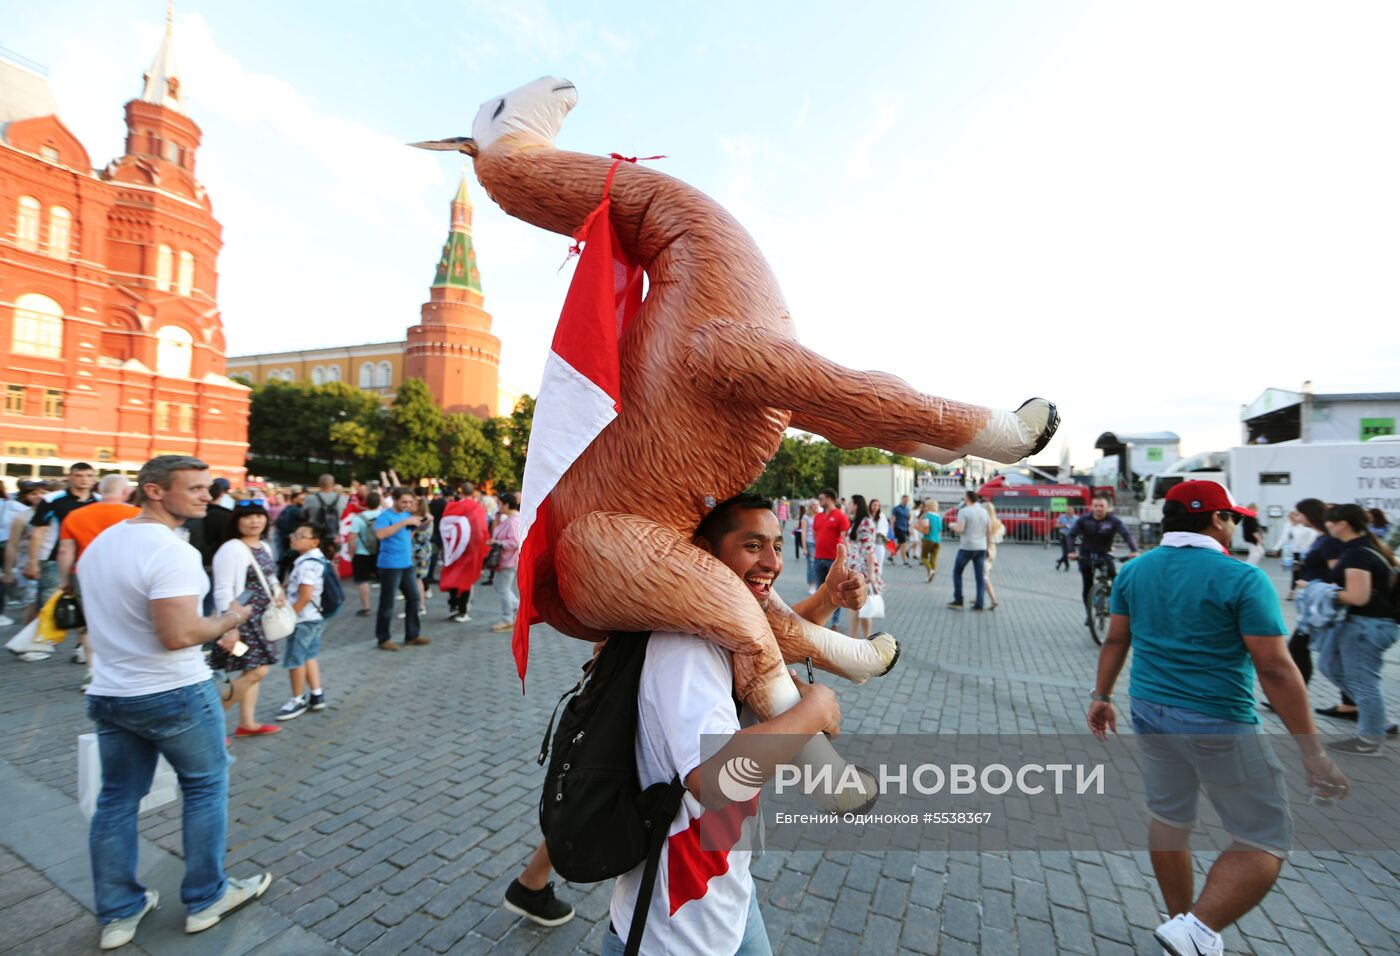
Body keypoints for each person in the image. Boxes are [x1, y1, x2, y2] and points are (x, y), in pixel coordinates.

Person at [1086, 480, 1348, 956]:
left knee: (1170, 818)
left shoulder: (1135, 571)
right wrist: (1314, 753)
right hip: (1218, 721)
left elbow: (1115, 639)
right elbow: (1273, 668)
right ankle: (1196, 928)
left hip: (1149, 710)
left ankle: (1182, 925)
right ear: (1215, 519)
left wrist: (1101, 695)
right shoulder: (1243, 579)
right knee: (1264, 836)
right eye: (1233, 517)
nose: (1235, 526)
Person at [599, 493, 845, 955]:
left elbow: (786, 633)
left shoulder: (730, 625)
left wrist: (827, 599)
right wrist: (815, 710)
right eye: (753, 546)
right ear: (706, 554)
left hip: (728, 894)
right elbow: (712, 780)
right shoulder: (686, 647)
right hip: (676, 925)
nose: (773, 561)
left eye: (776, 544)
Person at [79, 455, 272, 949]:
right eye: (195, 488)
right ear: (155, 490)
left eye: (208, 487)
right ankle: (207, 898)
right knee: (206, 787)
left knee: (117, 802)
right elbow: (179, 634)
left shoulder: (104, 544)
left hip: (111, 691)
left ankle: (119, 912)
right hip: (171, 691)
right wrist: (230, 619)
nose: (207, 496)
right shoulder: (171, 551)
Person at [1313, 503, 1399, 756]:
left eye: (1330, 521)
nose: (1326, 525)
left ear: (1343, 524)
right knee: (1330, 666)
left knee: (1363, 683)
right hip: (1368, 624)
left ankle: (1370, 741)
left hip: (1366, 625)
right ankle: (1376, 721)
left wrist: (1318, 590)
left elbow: (1358, 596)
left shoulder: (1358, 554)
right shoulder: (1367, 549)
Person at [211, 499, 284, 737]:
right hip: (242, 622)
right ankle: (211, 723)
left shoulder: (264, 546)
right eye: (248, 517)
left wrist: (278, 591)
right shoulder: (232, 548)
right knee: (257, 671)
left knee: (251, 670)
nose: (255, 521)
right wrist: (230, 626)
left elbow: (270, 575)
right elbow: (222, 589)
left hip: (262, 620)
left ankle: (247, 723)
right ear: (237, 522)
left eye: (259, 516)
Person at [276, 523, 333, 721]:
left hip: (304, 618)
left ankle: (297, 699)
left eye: (300, 536)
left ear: (314, 541)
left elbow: (305, 595)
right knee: (309, 655)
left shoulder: (308, 563)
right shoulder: (314, 559)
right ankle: (316, 694)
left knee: (296, 659)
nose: (294, 538)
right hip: (314, 617)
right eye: (295, 534)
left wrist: (290, 616)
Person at [24, 461, 97, 613]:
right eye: (79, 475)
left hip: (87, 559)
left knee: (85, 607)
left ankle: (82, 636)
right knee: (50, 606)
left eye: (89, 476)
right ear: (69, 477)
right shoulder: (52, 500)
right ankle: (41, 635)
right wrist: (32, 562)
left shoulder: (99, 500)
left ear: (94, 478)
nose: (84, 479)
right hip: (53, 559)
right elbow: (37, 533)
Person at [1067, 492, 1139, 626]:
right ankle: (1089, 613)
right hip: (1086, 556)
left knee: (1115, 580)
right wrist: (1071, 552)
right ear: (1091, 507)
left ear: (1107, 507)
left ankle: (1112, 604)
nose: (1099, 508)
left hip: (1105, 554)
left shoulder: (1113, 521)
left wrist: (1134, 550)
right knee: (1087, 586)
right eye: (1096, 505)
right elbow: (1071, 535)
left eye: (1101, 506)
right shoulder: (1084, 520)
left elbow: (1126, 534)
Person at [375, 488, 427, 650]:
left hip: (406, 563)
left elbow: (412, 532)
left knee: (413, 598)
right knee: (387, 603)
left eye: (410, 502)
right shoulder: (386, 516)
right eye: (404, 502)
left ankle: (412, 635)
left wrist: (426, 522)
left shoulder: (407, 515)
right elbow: (380, 534)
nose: (407, 505)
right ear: (395, 500)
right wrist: (404, 522)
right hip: (390, 565)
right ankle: (383, 639)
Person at [1, 481, 47, 626]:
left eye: (43, 493)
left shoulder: (56, 513)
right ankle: (29, 636)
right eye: (34, 494)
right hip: (28, 564)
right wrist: (8, 571)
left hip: (52, 563)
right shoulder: (22, 517)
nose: (39, 496)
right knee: (33, 602)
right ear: (27, 497)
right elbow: (12, 545)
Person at [845, 494, 883, 640]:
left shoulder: (866, 522)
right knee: (854, 604)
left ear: (856, 505)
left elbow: (869, 549)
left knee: (865, 607)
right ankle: (853, 638)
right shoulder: (857, 521)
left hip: (864, 569)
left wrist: (872, 575)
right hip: (855, 566)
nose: (848, 506)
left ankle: (867, 638)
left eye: (850, 503)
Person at [810, 488, 850, 625]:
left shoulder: (840, 516)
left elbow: (845, 538)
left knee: (835, 591)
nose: (819, 501)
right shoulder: (818, 516)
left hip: (834, 560)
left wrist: (845, 559)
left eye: (821, 499)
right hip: (818, 559)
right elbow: (815, 535)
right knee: (819, 592)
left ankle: (835, 621)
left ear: (830, 499)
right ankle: (819, 619)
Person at [948, 491, 989, 611]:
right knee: (979, 576)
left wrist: (952, 525)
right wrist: (989, 546)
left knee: (957, 572)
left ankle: (959, 600)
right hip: (981, 547)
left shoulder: (964, 511)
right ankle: (980, 603)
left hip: (967, 547)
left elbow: (960, 529)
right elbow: (989, 530)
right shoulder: (984, 511)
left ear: (968, 498)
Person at [489, 492, 523, 633]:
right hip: (505, 560)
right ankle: (517, 609)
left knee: (503, 589)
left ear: (506, 505)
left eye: (500, 504)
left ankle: (508, 618)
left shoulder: (513, 521)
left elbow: (515, 542)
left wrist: (498, 543)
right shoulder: (509, 519)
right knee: (501, 588)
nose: (498, 507)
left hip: (508, 560)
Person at [345, 491, 382, 617]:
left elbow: (352, 538)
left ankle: (365, 607)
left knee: (363, 580)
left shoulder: (358, 518)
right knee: (385, 580)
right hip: (381, 552)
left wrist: (351, 553)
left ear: (365, 502)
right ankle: (386, 604)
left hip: (362, 552)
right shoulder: (384, 515)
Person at [302, 474, 346, 543]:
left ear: (319, 483)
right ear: (333, 484)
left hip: (315, 536)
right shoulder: (343, 499)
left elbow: (303, 515)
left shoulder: (311, 498)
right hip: (336, 536)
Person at [411, 494, 435, 607]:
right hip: (423, 551)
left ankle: (419, 605)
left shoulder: (421, 520)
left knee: (416, 580)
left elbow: (412, 536)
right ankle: (420, 605)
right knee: (418, 579)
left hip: (418, 552)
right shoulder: (426, 518)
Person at [983, 499, 1004, 610]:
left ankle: (993, 599)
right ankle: (979, 596)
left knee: (984, 576)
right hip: (993, 549)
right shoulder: (998, 523)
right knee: (985, 574)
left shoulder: (986, 523)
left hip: (985, 549)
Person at [918, 500, 942, 583]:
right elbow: (940, 530)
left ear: (928, 507)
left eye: (925, 506)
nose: (924, 508)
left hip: (928, 539)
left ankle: (930, 571)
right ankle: (930, 577)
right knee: (933, 559)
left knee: (923, 557)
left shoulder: (927, 515)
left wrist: (919, 524)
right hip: (937, 540)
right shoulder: (938, 516)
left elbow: (925, 527)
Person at [890, 494, 913, 567]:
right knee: (903, 544)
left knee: (900, 544)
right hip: (898, 527)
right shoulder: (896, 508)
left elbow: (908, 519)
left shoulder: (907, 509)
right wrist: (892, 529)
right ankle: (905, 559)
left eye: (907, 500)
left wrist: (909, 527)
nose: (906, 501)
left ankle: (890, 555)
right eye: (905, 500)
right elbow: (892, 519)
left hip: (905, 528)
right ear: (902, 499)